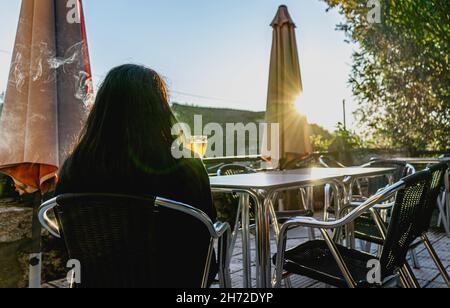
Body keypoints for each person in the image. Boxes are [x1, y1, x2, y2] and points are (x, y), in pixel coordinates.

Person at [55, 64, 217, 287]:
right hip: (174, 279)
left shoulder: (73, 169)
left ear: (102, 109)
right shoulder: (185, 166)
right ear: (159, 109)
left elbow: (68, 237)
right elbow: (206, 225)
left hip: (97, 281)